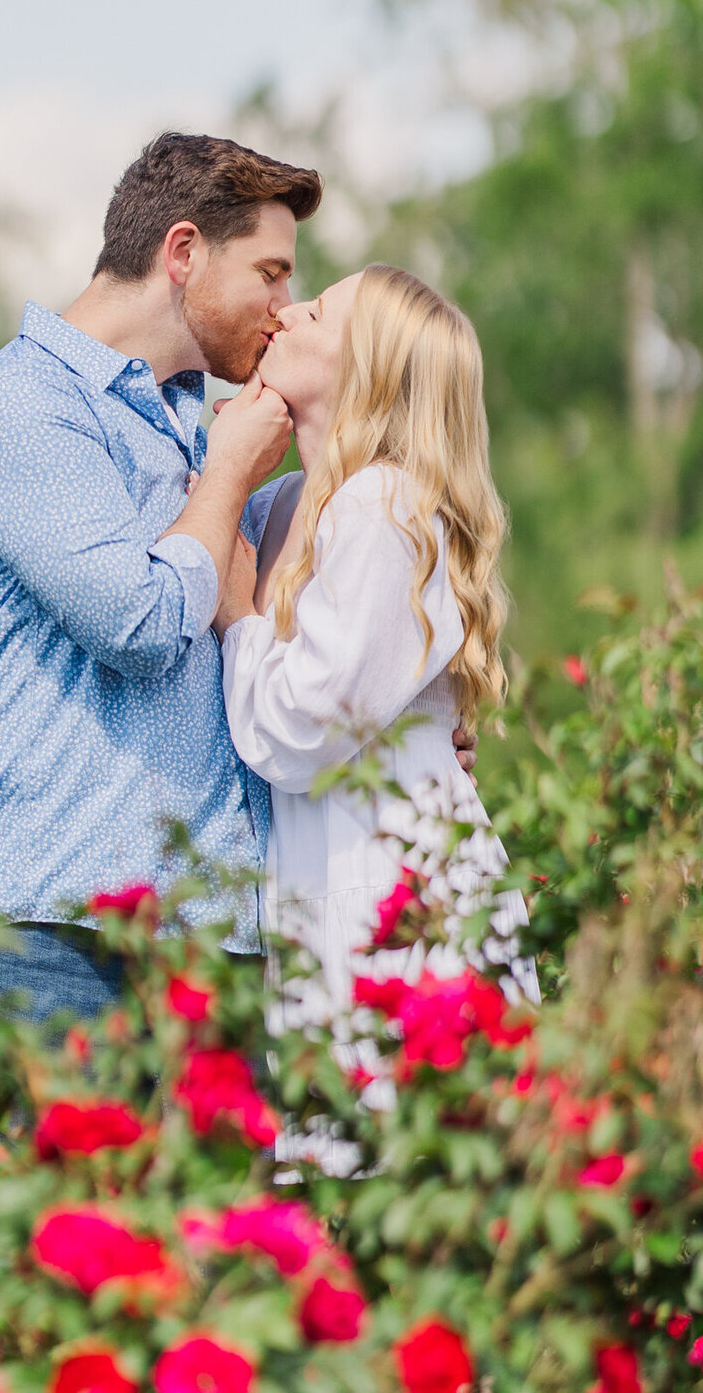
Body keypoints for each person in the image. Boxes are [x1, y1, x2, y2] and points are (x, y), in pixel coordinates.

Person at [0, 133, 314, 1023]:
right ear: (183, 253)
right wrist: (224, 479)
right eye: (271, 273)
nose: (286, 306)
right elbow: (136, 625)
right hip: (57, 944)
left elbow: (268, 625)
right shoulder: (21, 407)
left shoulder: (191, 425)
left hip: (218, 947)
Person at [215, 264, 538, 1027]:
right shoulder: (294, 501)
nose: (287, 315)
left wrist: (235, 614)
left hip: (387, 878)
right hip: (333, 869)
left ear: (365, 373)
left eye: (318, 313)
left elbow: (311, 721)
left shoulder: (383, 506)